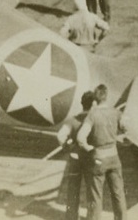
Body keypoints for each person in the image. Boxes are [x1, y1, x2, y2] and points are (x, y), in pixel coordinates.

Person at [75, 84, 127, 220]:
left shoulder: (92, 115)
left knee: (96, 196)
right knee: (118, 194)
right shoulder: (116, 112)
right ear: (106, 96)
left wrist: (88, 148)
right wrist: (119, 138)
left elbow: (80, 137)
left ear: (94, 99)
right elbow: (126, 128)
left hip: (99, 159)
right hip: (114, 158)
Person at [55, 91, 96, 219]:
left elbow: (61, 136)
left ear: (82, 104)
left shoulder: (73, 120)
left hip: (75, 159)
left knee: (72, 190)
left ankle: (71, 217)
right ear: (93, 104)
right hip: (91, 159)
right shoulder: (95, 121)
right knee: (92, 191)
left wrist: (67, 147)